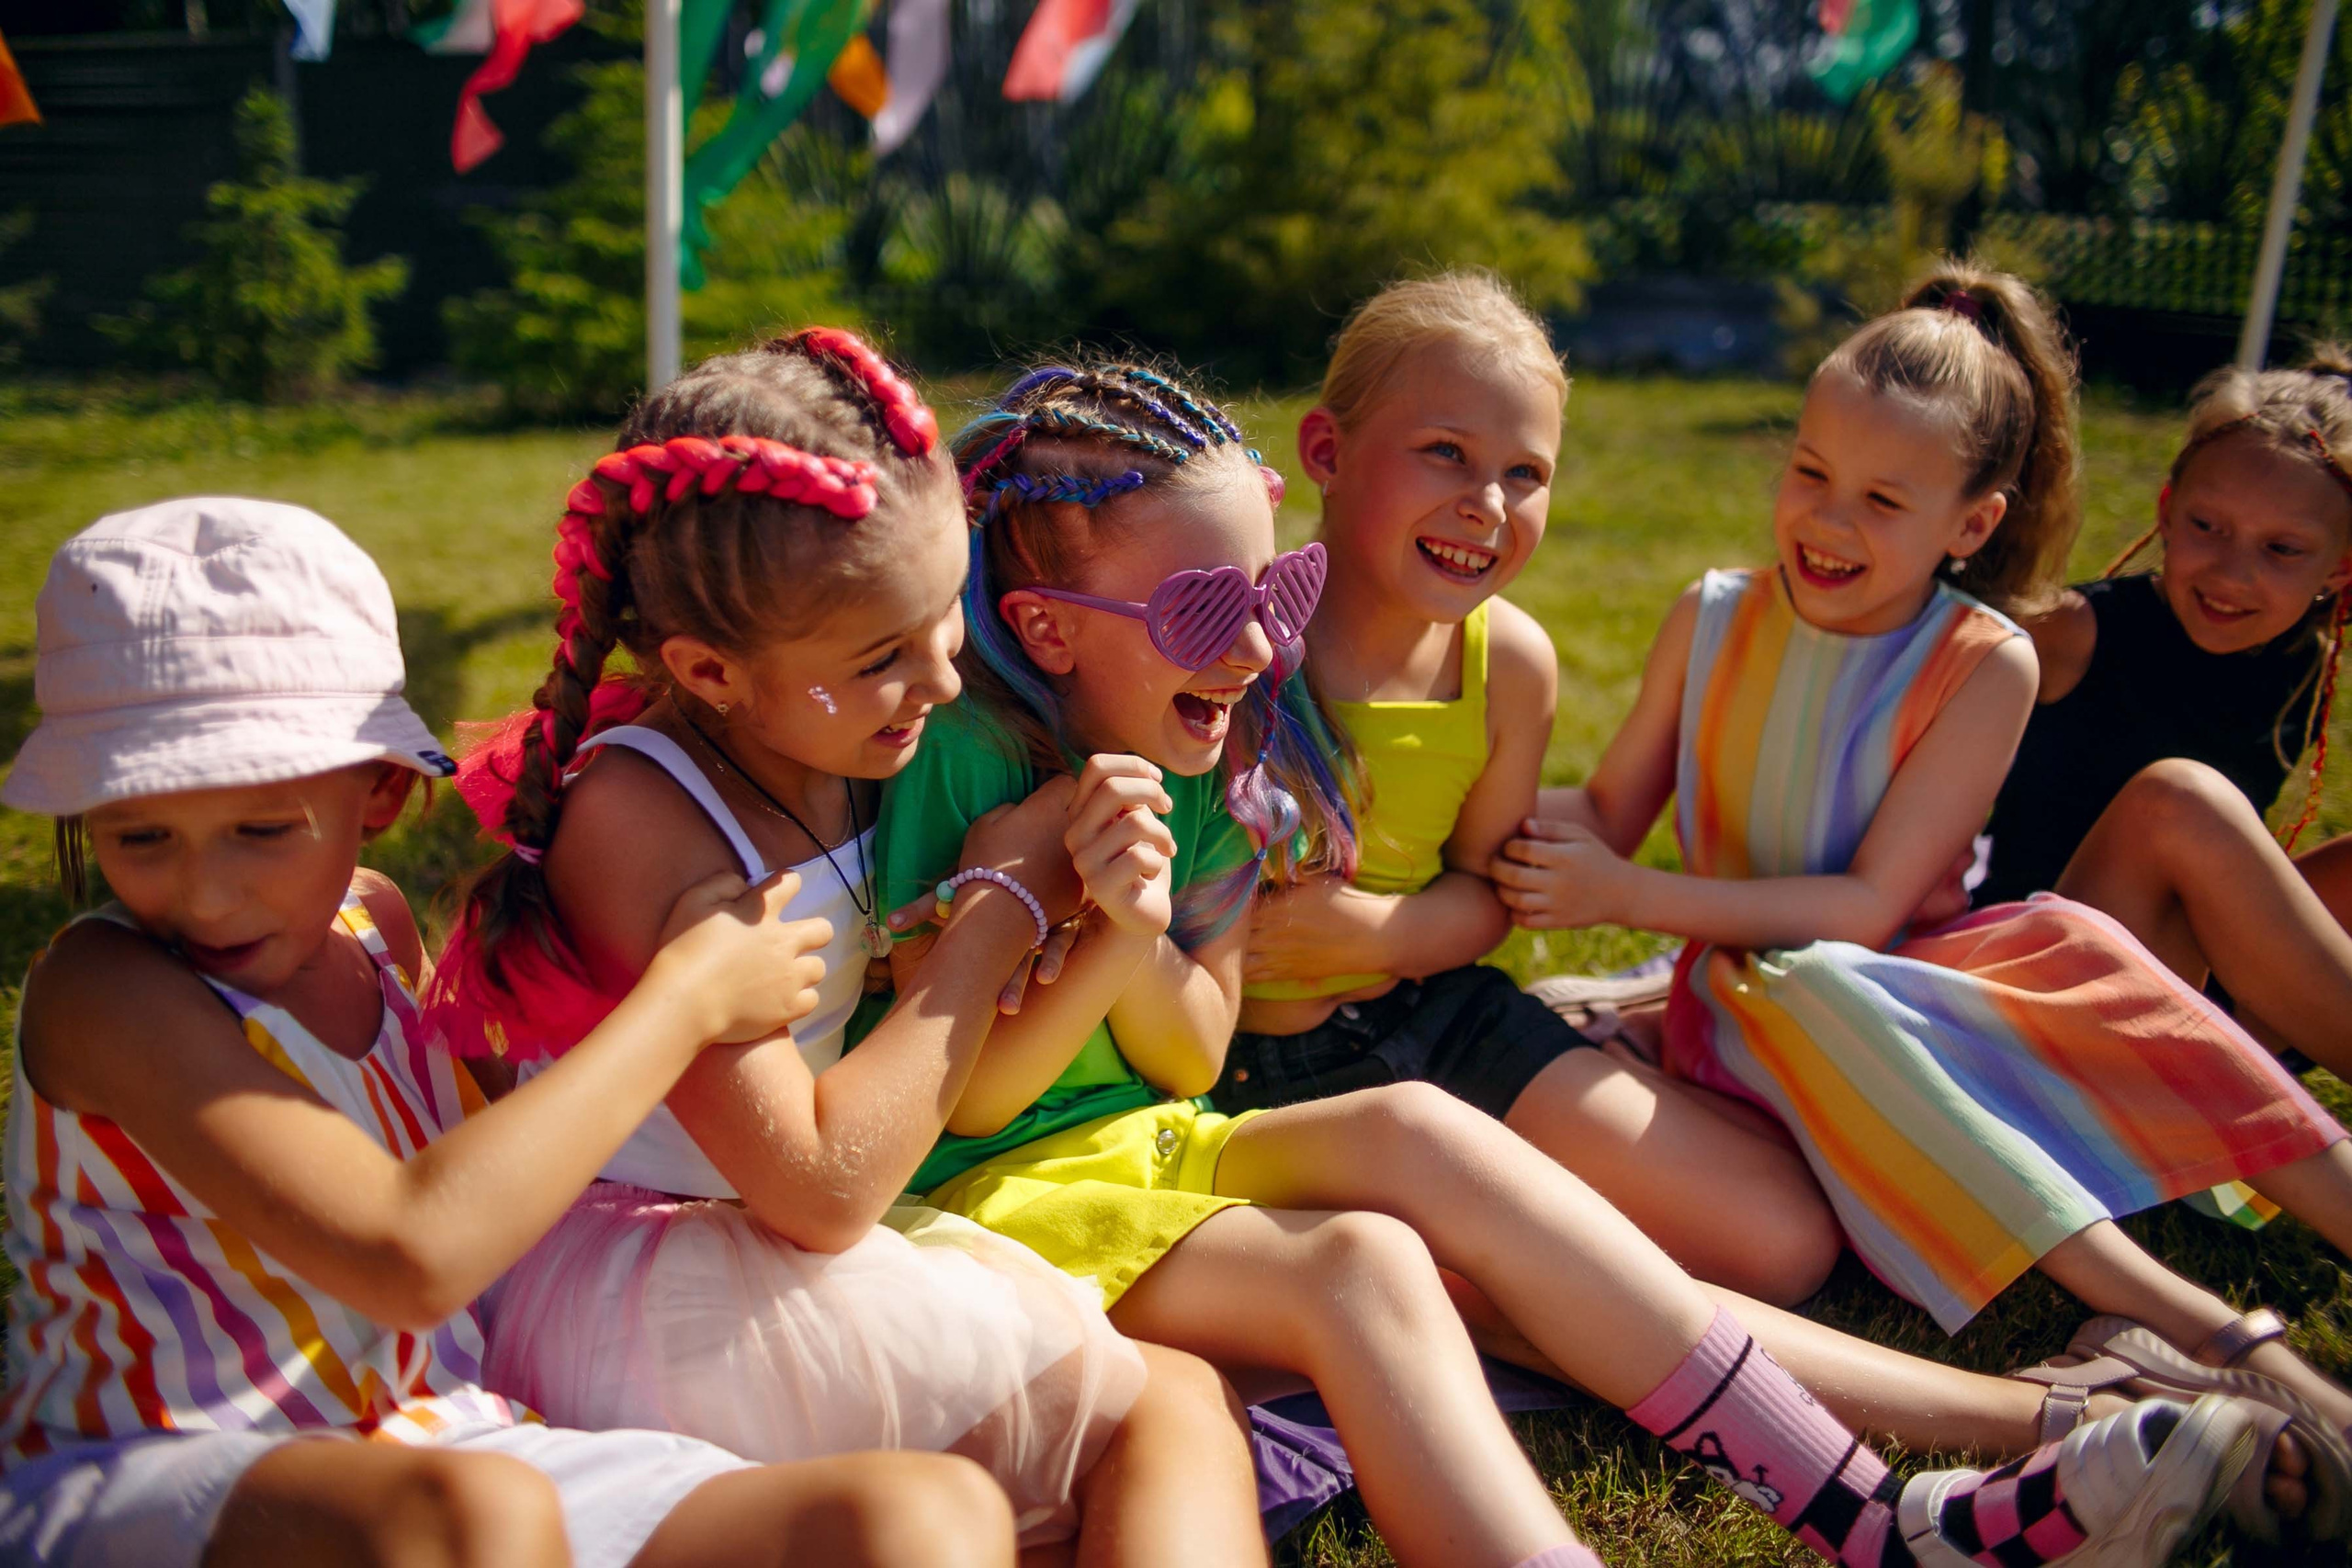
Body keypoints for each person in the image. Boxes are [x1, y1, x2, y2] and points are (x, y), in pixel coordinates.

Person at [873, 355, 2262, 1568]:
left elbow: (1187, 1049)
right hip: (999, 1199)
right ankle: (1928, 1488)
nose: (1256, 647)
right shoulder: (973, 764)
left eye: (1268, 592)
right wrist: (1105, 917)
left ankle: (1893, 1506)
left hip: (1162, 1134)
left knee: (1432, 1147)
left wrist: (1135, 924)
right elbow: (974, 1105)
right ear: (1050, 628)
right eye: (1199, 610)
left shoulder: (1204, 746)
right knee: (1383, 1264)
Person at [0, 496, 1021, 1568]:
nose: (204, 895)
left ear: (382, 792)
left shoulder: (375, 925)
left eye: (261, 831)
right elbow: (410, 1254)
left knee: (922, 1516)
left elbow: (498, 1149)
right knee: (476, 1518)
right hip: (154, 1468)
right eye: (140, 835)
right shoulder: (106, 987)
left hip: (445, 1433)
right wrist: (679, 1004)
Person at [1494, 265, 2352, 1540]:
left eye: (1884, 499)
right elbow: (1609, 810)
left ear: (1969, 522)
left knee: (2073, 938)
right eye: (1809, 471)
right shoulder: (1711, 613)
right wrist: (1478, 799)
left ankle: (2290, 1245)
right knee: (1822, 980)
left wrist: (1628, 893)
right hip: (1759, 1005)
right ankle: (2207, 1328)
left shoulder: (1983, 657)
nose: (1827, 520)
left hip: (1898, 968)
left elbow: (1869, 901)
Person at [423, 329, 1264, 1564]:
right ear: (710, 668)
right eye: (884, 656)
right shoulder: (644, 818)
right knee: (1166, 1411)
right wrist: (1001, 906)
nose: (941, 677)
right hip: (665, 1286)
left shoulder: (821, 734)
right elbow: (819, 1185)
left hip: (764, 1239)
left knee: (1164, 1415)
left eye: (946, 614)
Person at [1209, 270, 1845, 1306]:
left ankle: (1498, 1240)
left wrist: (1382, 938)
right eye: (1446, 454)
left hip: (1430, 1012)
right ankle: (1488, 1254)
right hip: (1240, 1083)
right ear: (1326, 452)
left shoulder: (1508, 664)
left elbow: (1482, 891)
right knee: (1428, 1270)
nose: (1487, 503)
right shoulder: (1238, 638)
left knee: (1781, 1243)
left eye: (1525, 472)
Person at [1972, 348, 2352, 1085]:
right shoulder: (2071, 633)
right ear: (2167, 512)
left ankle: (2222, 1101)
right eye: (2206, 526)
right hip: (2032, 992)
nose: (2232, 573)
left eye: (2282, 550)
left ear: (2337, 570)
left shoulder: (2302, 658)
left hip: (2173, 984)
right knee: (2180, 801)